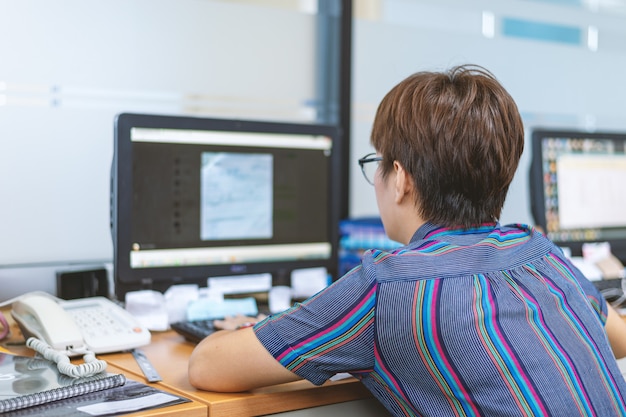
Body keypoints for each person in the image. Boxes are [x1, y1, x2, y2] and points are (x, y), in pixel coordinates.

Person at [188, 64, 626, 416]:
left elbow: (207, 366)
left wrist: (276, 327)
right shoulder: (541, 254)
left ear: (399, 179)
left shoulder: (388, 286)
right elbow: (617, 338)